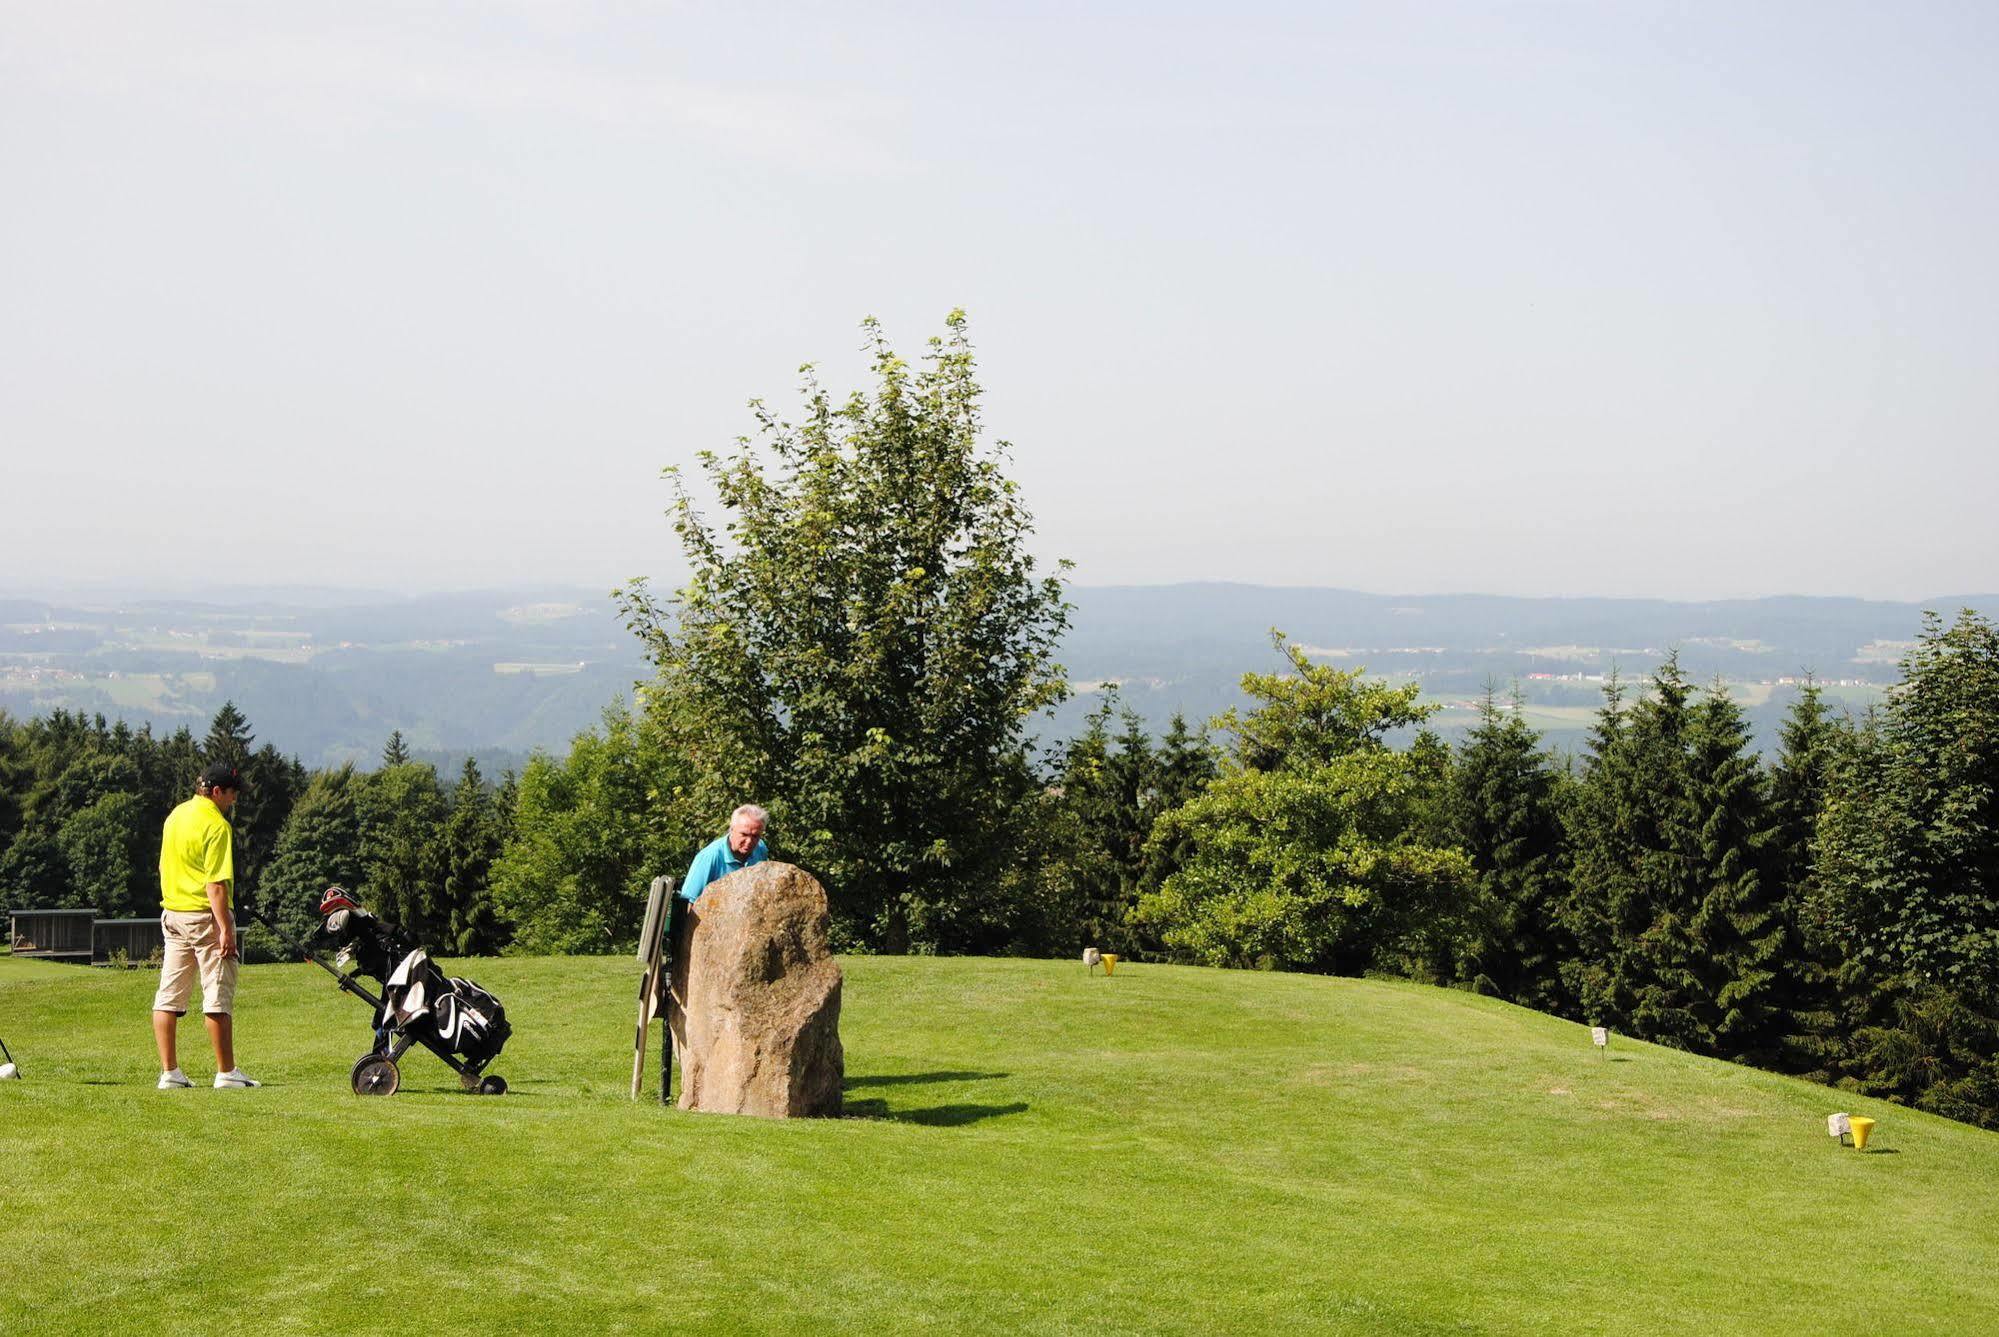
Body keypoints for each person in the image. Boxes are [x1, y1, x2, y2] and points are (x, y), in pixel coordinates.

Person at [152, 762, 259, 1090]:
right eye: (231, 794)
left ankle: (170, 1073)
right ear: (216, 792)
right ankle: (226, 1072)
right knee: (217, 994)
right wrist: (225, 928)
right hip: (204, 917)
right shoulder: (217, 825)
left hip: (173, 914)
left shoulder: (176, 816)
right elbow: (216, 885)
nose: (234, 801)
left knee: (168, 996)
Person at [679, 804, 770, 902]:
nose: (749, 841)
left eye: (755, 836)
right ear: (731, 829)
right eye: (744, 834)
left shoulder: (760, 849)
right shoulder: (710, 856)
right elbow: (687, 901)